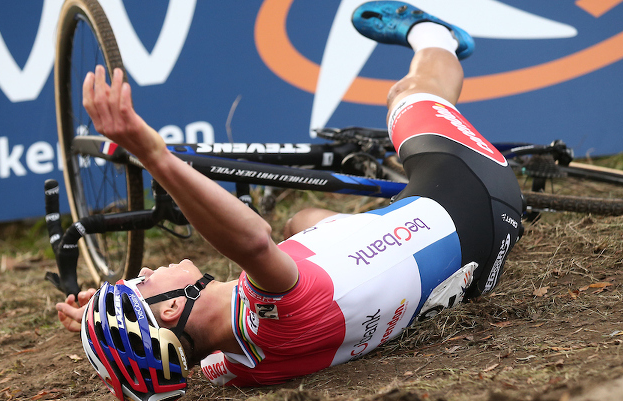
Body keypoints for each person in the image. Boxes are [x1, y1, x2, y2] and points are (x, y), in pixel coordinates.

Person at [56, 1, 523, 398]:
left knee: (299, 222)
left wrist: (99, 326)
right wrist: (153, 154)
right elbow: (251, 242)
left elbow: (175, 362)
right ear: (173, 309)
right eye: (141, 285)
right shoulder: (275, 306)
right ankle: (435, 35)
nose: (143, 272)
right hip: (476, 192)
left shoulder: (238, 368)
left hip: (477, 265)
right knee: (405, 93)